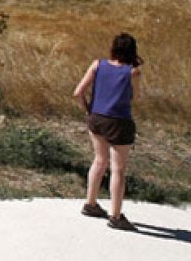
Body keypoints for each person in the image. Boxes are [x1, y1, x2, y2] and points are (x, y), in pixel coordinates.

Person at [74, 32, 143, 231]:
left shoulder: (97, 65)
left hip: (97, 118)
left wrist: (88, 110)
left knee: (99, 161)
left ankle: (91, 203)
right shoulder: (133, 72)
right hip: (119, 122)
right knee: (118, 170)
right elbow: (135, 97)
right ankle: (116, 215)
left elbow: (77, 92)